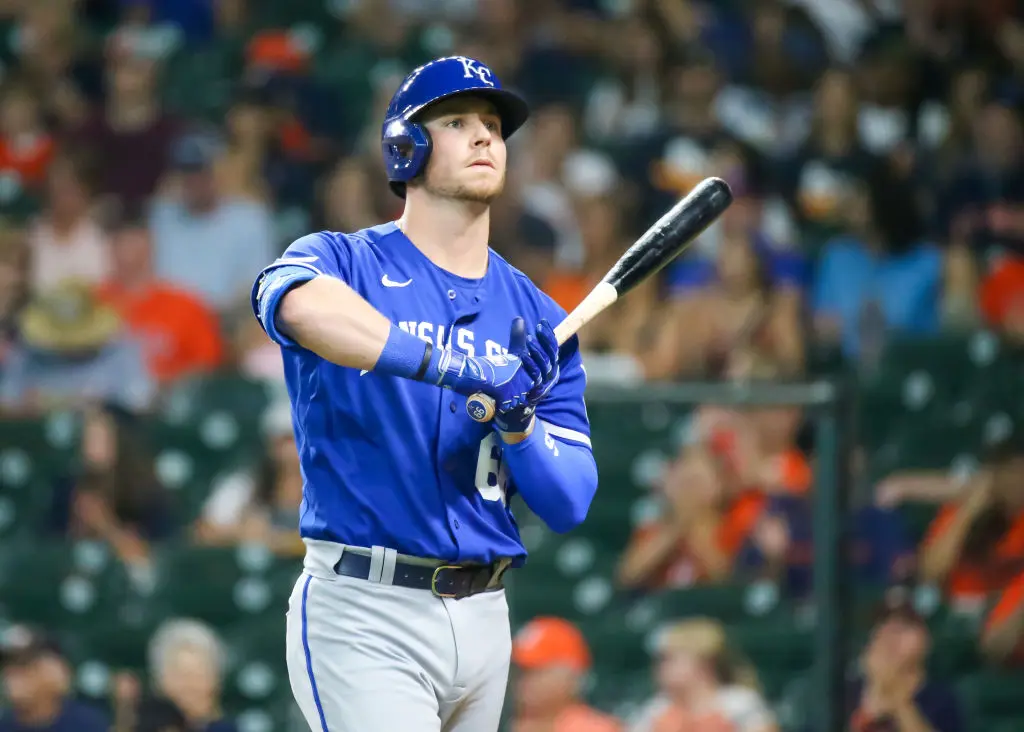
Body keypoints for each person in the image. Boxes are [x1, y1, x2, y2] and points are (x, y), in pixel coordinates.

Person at [250, 55, 598, 732]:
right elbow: (292, 305)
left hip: (486, 612)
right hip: (366, 605)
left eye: (494, 127)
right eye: (457, 121)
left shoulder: (538, 316)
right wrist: (450, 363)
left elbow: (570, 500)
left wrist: (522, 428)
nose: (483, 138)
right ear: (404, 146)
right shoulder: (345, 260)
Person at [510, 616, 623, 732]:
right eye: (519, 671)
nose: (522, 681)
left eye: (535, 670)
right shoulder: (500, 719)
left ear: (569, 676)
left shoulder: (598, 728)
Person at [0, 625, 110, 732]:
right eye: (6, 665)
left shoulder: (88, 724)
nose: (11, 673)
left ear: (56, 670)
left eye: (24, 664)